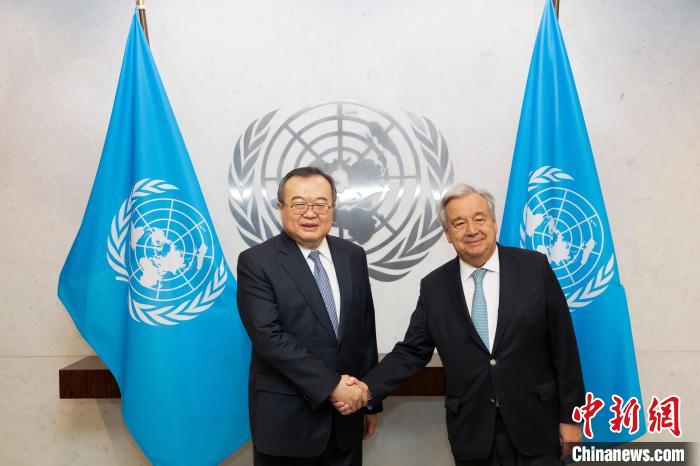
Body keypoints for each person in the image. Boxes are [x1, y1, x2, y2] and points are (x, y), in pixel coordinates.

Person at [336, 184, 585, 465]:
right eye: (459, 223)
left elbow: (564, 346)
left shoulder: (534, 268)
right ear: (447, 234)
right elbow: (411, 352)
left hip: (537, 426)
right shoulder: (434, 287)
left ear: (493, 222)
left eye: (479, 218)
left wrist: (571, 417)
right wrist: (366, 389)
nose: (472, 230)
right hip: (473, 433)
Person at [237, 167, 379, 466]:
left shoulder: (353, 256)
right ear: (280, 208)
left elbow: (364, 330)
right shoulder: (257, 262)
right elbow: (268, 338)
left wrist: (369, 402)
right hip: (287, 424)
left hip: (346, 420)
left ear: (333, 207)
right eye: (299, 204)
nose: (310, 213)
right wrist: (332, 385)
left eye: (320, 204)